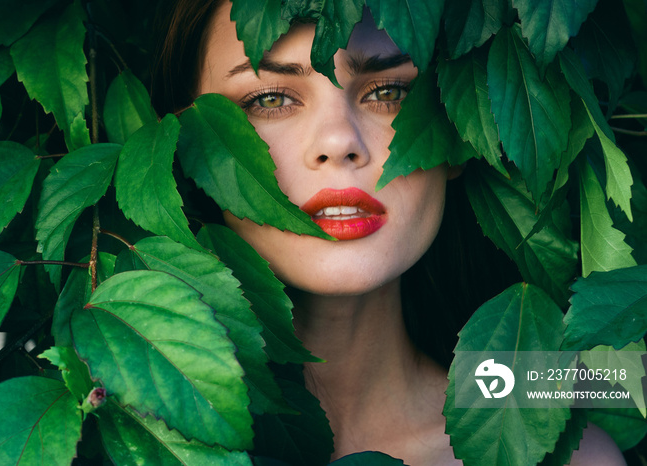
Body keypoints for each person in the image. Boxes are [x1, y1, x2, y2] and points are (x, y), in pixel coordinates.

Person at [154, 1, 627, 464]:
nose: (340, 141)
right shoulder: (126, 442)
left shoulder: (576, 459)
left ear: (459, 133)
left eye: (388, 93)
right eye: (270, 99)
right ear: (181, 144)